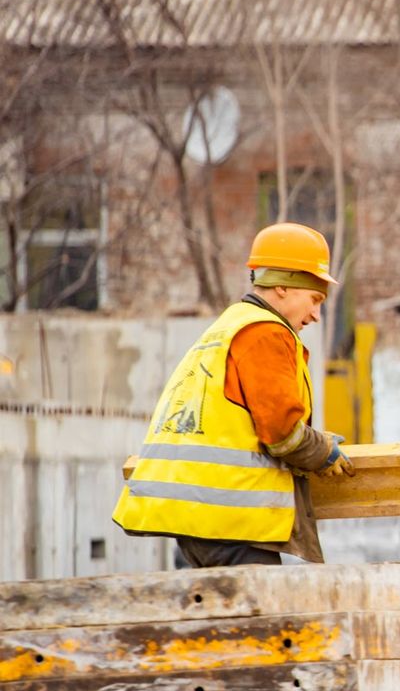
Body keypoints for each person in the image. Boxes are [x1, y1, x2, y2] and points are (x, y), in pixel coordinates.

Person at [113, 223, 355, 567]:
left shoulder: (230, 325)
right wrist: (323, 451)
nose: (316, 315)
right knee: (260, 621)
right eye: (315, 299)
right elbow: (283, 435)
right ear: (283, 286)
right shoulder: (266, 334)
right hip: (233, 525)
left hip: (199, 523)